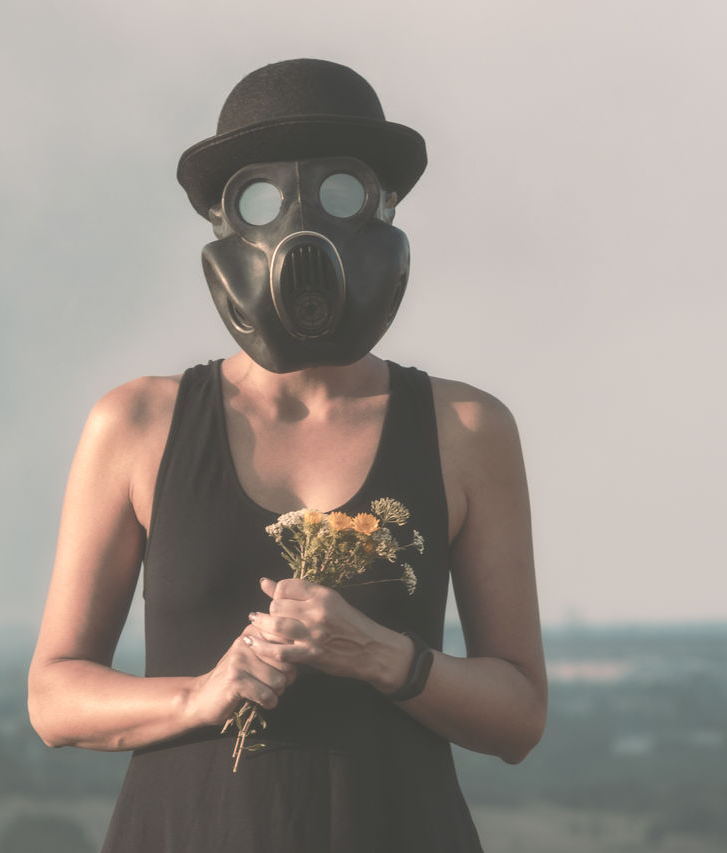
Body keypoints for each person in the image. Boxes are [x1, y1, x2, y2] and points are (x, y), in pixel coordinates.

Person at [28, 58, 546, 852]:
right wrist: (200, 697)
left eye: (343, 191)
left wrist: (383, 656)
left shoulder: (467, 428)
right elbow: (54, 695)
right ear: (222, 223)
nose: (305, 226)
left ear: (386, 209)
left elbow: (518, 714)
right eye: (260, 197)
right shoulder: (136, 423)